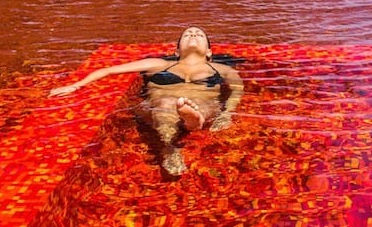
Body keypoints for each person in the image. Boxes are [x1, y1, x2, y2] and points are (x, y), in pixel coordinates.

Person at [49, 27, 244, 175]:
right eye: (188, 34)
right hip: (161, 104)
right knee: (166, 104)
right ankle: (171, 144)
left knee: (201, 106)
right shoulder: (158, 64)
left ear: (209, 52)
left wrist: (227, 114)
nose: (193, 35)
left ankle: (191, 121)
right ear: (176, 51)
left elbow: (237, 90)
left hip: (203, 103)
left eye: (199, 35)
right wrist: (76, 85)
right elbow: (109, 70)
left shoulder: (221, 69)